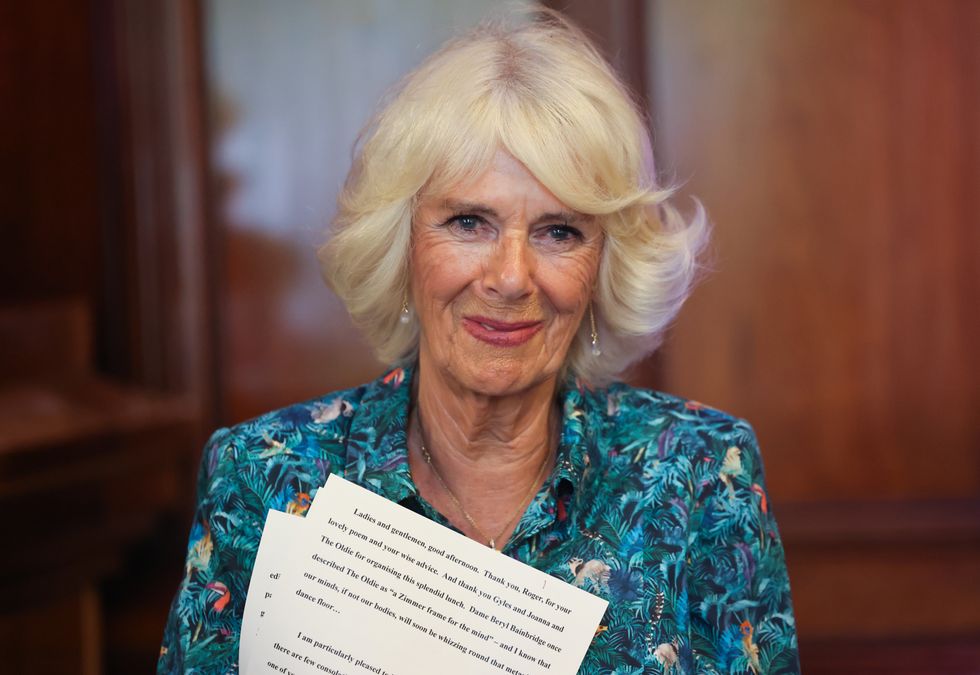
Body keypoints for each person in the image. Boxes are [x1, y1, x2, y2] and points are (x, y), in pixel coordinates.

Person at [159, 10, 799, 674]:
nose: (511, 276)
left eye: (559, 232)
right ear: (402, 246)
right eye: (469, 221)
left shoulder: (700, 474)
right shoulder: (261, 474)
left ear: (605, 265)